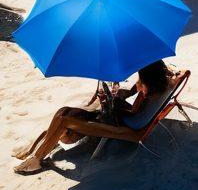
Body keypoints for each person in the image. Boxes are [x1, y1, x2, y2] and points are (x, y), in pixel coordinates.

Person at [12, 61, 180, 174]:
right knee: (63, 111)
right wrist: (118, 99)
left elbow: (134, 120)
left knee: (65, 120)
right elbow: (168, 76)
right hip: (117, 116)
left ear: (149, 80)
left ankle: (37, 159)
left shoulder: (150, 94)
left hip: (123, 128)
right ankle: (44, 144)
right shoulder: (158, 88)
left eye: (141, 78)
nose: (139, 80)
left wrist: (116, 103)